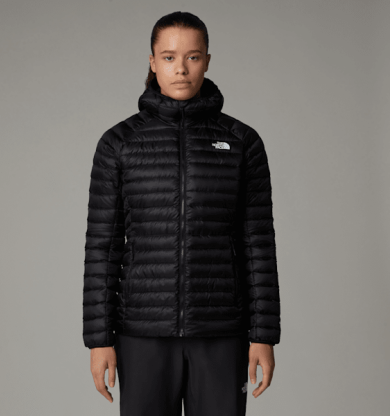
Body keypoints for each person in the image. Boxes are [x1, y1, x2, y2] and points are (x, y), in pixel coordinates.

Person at [82, 11, 281, 416]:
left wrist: (264, 335)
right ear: (153, 62)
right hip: (142, 334)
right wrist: (99, 340)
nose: (181, 69)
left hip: (221, 332)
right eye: (169, 57)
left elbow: (258, 244)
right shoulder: (119, 143)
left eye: (192, 57)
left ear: (207, 61)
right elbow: (102, 247)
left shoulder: (242, 142)